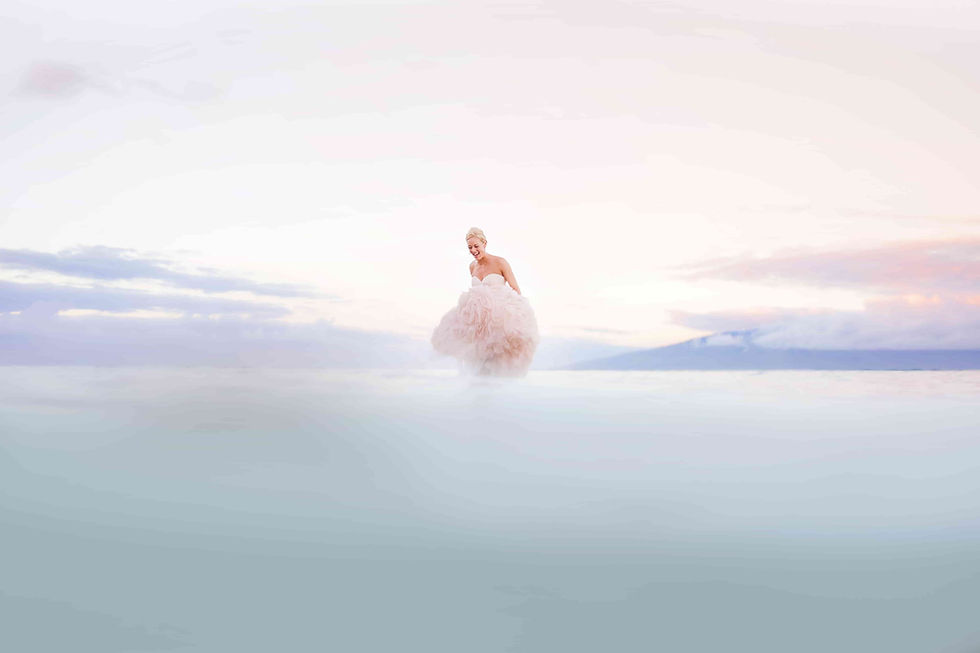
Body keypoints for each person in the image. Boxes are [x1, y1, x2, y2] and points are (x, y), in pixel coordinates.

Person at [431, 227, 539, 376]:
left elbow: (515, 289)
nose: (473, 250)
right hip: (477, 324)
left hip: (498, 320)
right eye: (470, 247)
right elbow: (475, 294)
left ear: (484, 243)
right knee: (477, 364)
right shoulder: (472, 267)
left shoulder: (500, 262)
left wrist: (519, 316)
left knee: (497, 362)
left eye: (476, 246)